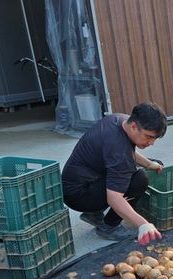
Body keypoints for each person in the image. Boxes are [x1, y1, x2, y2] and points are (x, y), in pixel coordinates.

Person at [62, 102, 165, 245]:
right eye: (148, 137)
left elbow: (128, 153)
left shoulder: (119, 120)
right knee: (139, 180)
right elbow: (114, 198)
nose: (152, 142)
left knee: (133, 171)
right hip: (79, 195)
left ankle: (94, 214)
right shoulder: (119, 152)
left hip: (77, 183)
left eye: (154, 138)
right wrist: (143, 224)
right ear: (134, 126)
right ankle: (109, 226)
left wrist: (149, 164)